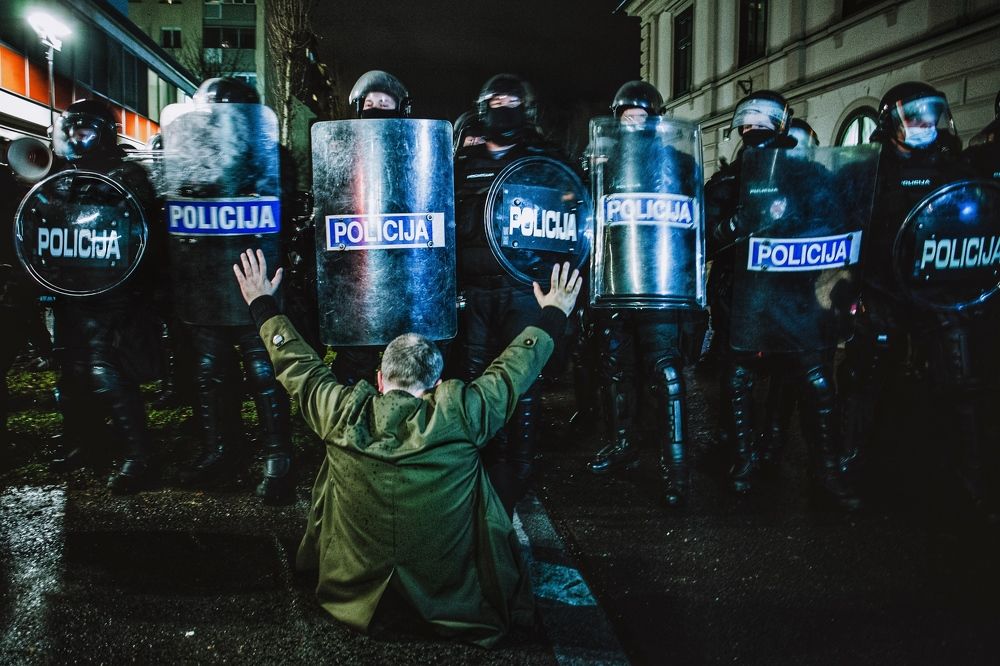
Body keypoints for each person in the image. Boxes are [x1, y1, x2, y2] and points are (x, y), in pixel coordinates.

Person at [232, 249, 581, 647]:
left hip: (352, 593)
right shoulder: (462, 413)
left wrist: (261, 303)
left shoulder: (341, 412)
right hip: (452, 598)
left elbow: (295, 363)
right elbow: (516, 367)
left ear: (380, 380)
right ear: (434, 384)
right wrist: (554, 311)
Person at [838, 82, 986, 509]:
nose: (924, 123)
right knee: (864, 376)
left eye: (931, 114)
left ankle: (971, 476)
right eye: (913, 115)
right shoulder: (867, 169)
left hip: (938, 288)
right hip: (883, 287)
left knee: (960, 378)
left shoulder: (952, 166)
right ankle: (848, 464)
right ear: (890, 122)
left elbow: (977, 219)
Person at [453, 73, 571, 516]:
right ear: (483, 107)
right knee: (476, 374)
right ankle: (484, 458)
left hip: (523, 285)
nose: (503, 106)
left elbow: (570, 210)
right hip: (474, 290)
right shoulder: (461, 161)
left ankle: (519, 464)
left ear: (526, 107)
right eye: (495, 100)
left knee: (524, 378)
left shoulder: (544, 157)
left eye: (511, 100)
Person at [584, 80, 707, 507]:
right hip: (616, 285)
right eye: (625, 118)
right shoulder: (602, 163)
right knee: (618, 372)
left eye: (640, 117)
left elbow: (695, 223)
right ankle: (623, 446)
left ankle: (675, 470)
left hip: (661, 288)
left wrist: (691, 287)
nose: (632, 124)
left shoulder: (679, 161)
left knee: (667, 375)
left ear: (655, 119)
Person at [173, 77, 294, 504]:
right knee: (211, 373)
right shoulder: (191, 156)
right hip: (205, 282)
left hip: (254, 276)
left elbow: (284, 207)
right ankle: (221, 450)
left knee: (265, 371)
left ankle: (278, 455)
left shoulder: (271, 157)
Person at [44, 99, 164, 493]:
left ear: (102, 133)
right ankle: (86, 441)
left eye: (83, 130)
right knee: (73, 369)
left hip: (114, 291)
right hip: (72, 287)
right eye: (70, 130)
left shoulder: (127, 174)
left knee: (107, 370)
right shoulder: (63, 175)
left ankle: (138, 455)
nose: (75, 138)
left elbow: (142, 233)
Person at [326, 70, 414, 388]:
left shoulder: (410, 149)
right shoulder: (343, 150)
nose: (377, 106)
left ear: (399, 107)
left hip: (401, 266)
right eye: (371, 101)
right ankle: (349, 420)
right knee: (356, 354)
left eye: (385, 101)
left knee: (405, 354)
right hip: (358, 270)